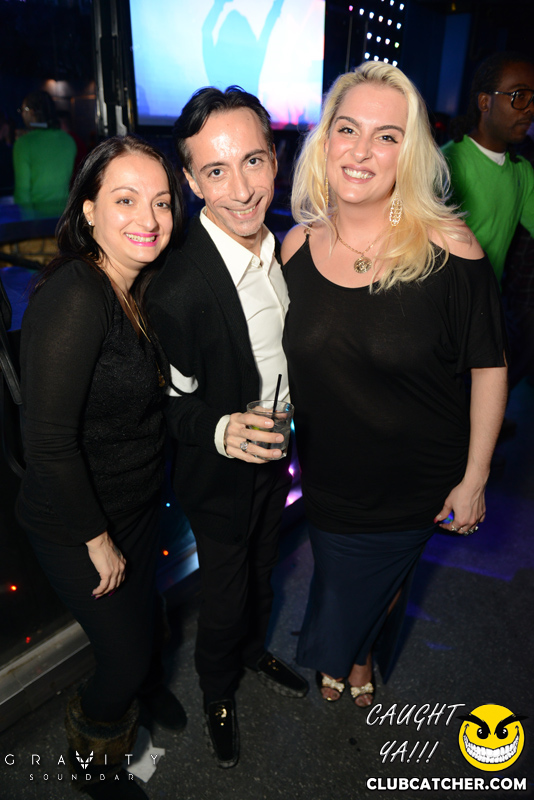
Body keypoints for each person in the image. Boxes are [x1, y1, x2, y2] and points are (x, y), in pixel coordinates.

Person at [281, 62, 508, 708]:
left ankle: (357, 657)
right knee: (337, 573)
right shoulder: (295, 247)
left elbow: (490, 364)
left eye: (386, 136)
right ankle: (351, 649)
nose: (361, 151)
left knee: (386, 578)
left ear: (409, 153)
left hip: (415, 478)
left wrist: (475, 478)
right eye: (348, 129)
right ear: (325, 140)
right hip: (328, 473)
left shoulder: (449, 248)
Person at [17, 135, 185, 799]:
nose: (148, 218)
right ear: (88, 210)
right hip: (76, 521)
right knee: (122, 655)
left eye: (161, 202)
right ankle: (94, 759)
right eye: (125, 200)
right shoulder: (76, 295)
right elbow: (48, 443)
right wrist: (96, 539)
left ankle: (143, 688)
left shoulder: (136, 285)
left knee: (146, 623)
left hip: (133, 502)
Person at [147, 86, 308, 770]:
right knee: (224, 591)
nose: (241, 190)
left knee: (265, 568)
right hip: (218, 476)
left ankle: (252, 651)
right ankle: (218, 688)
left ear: (276, 159)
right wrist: (221, 430)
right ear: (190, 181)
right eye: (216, 171)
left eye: (253, 161)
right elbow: (164, 405)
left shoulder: (289, 243)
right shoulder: (177, 287)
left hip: (280, 456)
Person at [442, 52, 534, 287]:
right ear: (485, 102)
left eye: (533, 98)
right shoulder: (445, 162)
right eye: (519, 96)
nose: (530, 109)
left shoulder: (522, 171)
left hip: (488, 302)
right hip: (443, 301)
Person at [13, 90, 77, 211]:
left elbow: (22, 192)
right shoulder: (68, 140)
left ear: (31, 112)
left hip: (36, 216)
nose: (22, 114)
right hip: (64, 214)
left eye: (23, 110)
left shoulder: (24, 144)